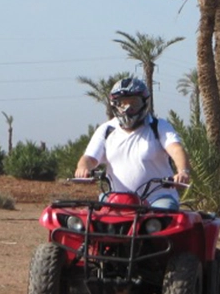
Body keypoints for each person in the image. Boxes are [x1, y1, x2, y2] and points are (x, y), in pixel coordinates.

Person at [75, 76, 190, 209]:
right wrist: (83, 168)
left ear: (144, 103)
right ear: (115, 105)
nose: (127, 109)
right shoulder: (106, 130)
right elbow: (90, 158)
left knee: (163, 217)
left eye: (133, 103)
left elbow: (176, 149)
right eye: (122, 104)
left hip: (157, 199)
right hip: (116, 199)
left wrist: (183, 171)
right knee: (94, 219)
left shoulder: (158, 126)